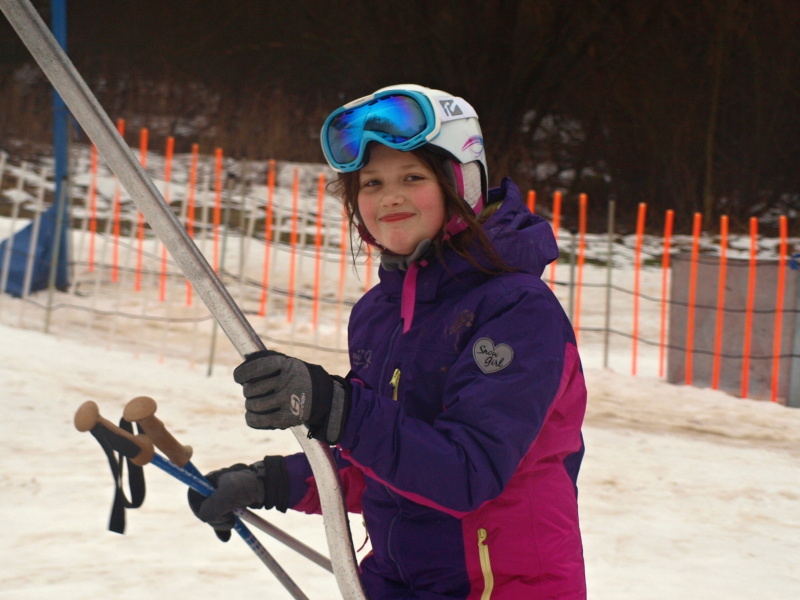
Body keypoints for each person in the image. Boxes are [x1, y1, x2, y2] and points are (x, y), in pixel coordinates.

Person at [188, 84, 588, 599]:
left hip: (501, 587)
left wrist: (335, 406)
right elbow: (381, 460)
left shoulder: (517, 311)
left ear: (462, 182)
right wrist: (271, 482)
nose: (389, 197)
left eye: (412, 177)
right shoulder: (380, 314)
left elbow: (466, 473)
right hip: (394, 584)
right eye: (372, 183)